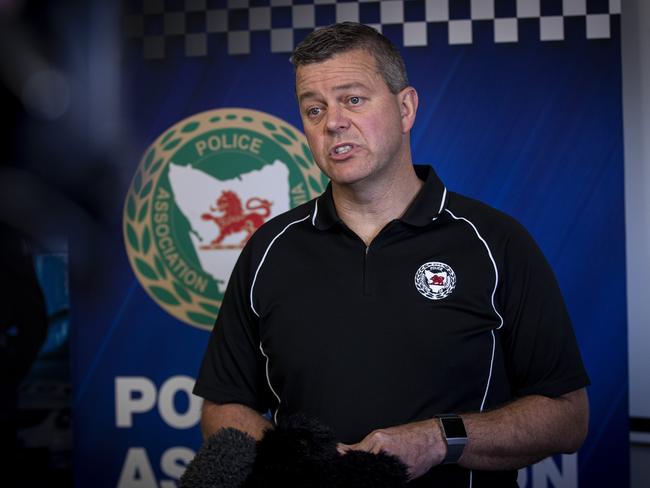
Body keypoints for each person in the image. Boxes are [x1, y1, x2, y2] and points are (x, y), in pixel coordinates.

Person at [193, 22, 590, 486]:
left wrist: (438, 440)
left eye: (353, 99)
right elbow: (223, 405)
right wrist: (297, 460)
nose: (333, 121)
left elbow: (567, 417)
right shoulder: (269, 249)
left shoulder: (494, 242)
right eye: (313, 108)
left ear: (406, 108)